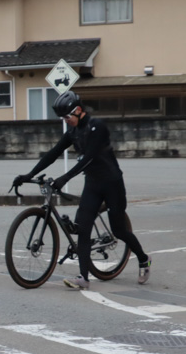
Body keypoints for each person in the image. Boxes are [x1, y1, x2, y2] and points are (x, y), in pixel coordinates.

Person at [12, 90, 151, 290]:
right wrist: (28, 175)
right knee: (83, 229)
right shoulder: (73, 131)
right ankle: (83, 278)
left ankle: (144, 259)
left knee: (119, 230)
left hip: (112, 183)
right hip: (93, 184)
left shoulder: (98, 127)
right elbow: (53, 154)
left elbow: (89, 159)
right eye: (63, 118)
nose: (66, 121)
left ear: (78, 111)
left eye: (67, 117)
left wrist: (65, 178)